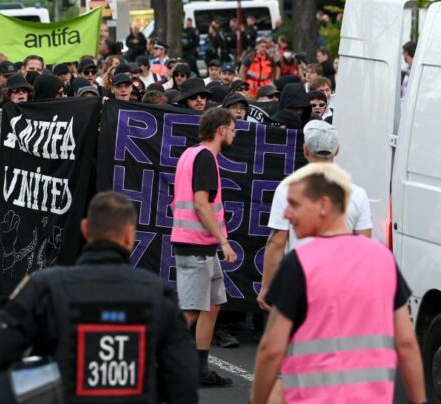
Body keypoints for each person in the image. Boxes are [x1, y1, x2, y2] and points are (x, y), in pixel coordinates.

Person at [0, 192, 199, 403]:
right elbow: (184, 381)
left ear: (85, 229)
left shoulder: (44, 286)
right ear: (129, 236)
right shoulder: (158, 293)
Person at [251, 163, 425, 404]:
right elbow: (406, 342)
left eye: (296, 205)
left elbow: (271, 351)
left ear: (323, 206)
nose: (287, 214)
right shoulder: (382, 258)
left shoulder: (299, 264)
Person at [258, 120, 372, 311]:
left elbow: (277, 243)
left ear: (305, 150)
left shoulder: (287, 190)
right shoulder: (357, 194)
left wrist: (267, 287)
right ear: (337, 151)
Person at [170, 107, 238, 387]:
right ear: (221, 129)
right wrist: (224, 240)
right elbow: (200, 203)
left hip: (199, 246)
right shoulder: (206, 158)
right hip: (197, 246)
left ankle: (199, 371)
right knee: (190, 311)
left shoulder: (190, 154)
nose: (235, 134)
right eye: (233, 128)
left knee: (211, 306)